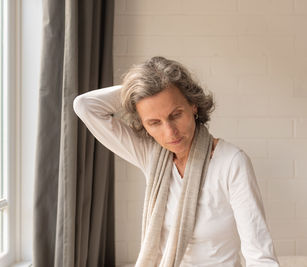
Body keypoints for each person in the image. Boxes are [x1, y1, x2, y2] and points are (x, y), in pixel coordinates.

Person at [73, 56, 279, 267]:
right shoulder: (151, 155)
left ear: (193, 105)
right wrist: (141, 89)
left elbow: (259, 255)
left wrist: (172, 84)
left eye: (176, 114)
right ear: (144, 125)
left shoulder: (232, 163)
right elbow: (85, 106)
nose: (170, 132)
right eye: (154, 122)